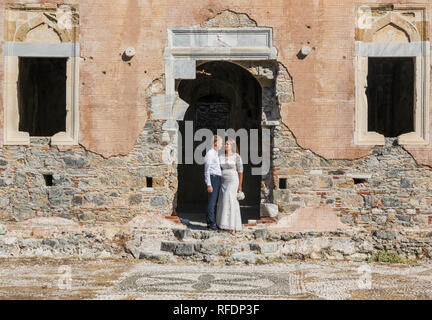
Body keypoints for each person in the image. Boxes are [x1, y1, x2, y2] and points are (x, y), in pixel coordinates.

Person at [216, 138, 243, 232]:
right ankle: (222, 224)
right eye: (225, 144)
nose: (226, 145)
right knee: (223, 199)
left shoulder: (236, 156)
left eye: (228, 144)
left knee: (230, 199)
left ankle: (231, 225)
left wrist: (240, 185)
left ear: (232, 146)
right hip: (223, 181)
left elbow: (240, 171)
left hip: (233, 180)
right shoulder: (221, 156)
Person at [204, 135, 223, 231]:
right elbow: (207, 170)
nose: (221, 144)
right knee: (212, 202)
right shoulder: (210, 153)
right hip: (213, 178)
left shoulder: (216, 153)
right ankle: (211, 223)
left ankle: (209, 222)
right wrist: (209, 184)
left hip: (218, 178)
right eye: (220, 142)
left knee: (214, 202)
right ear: (216, 143)